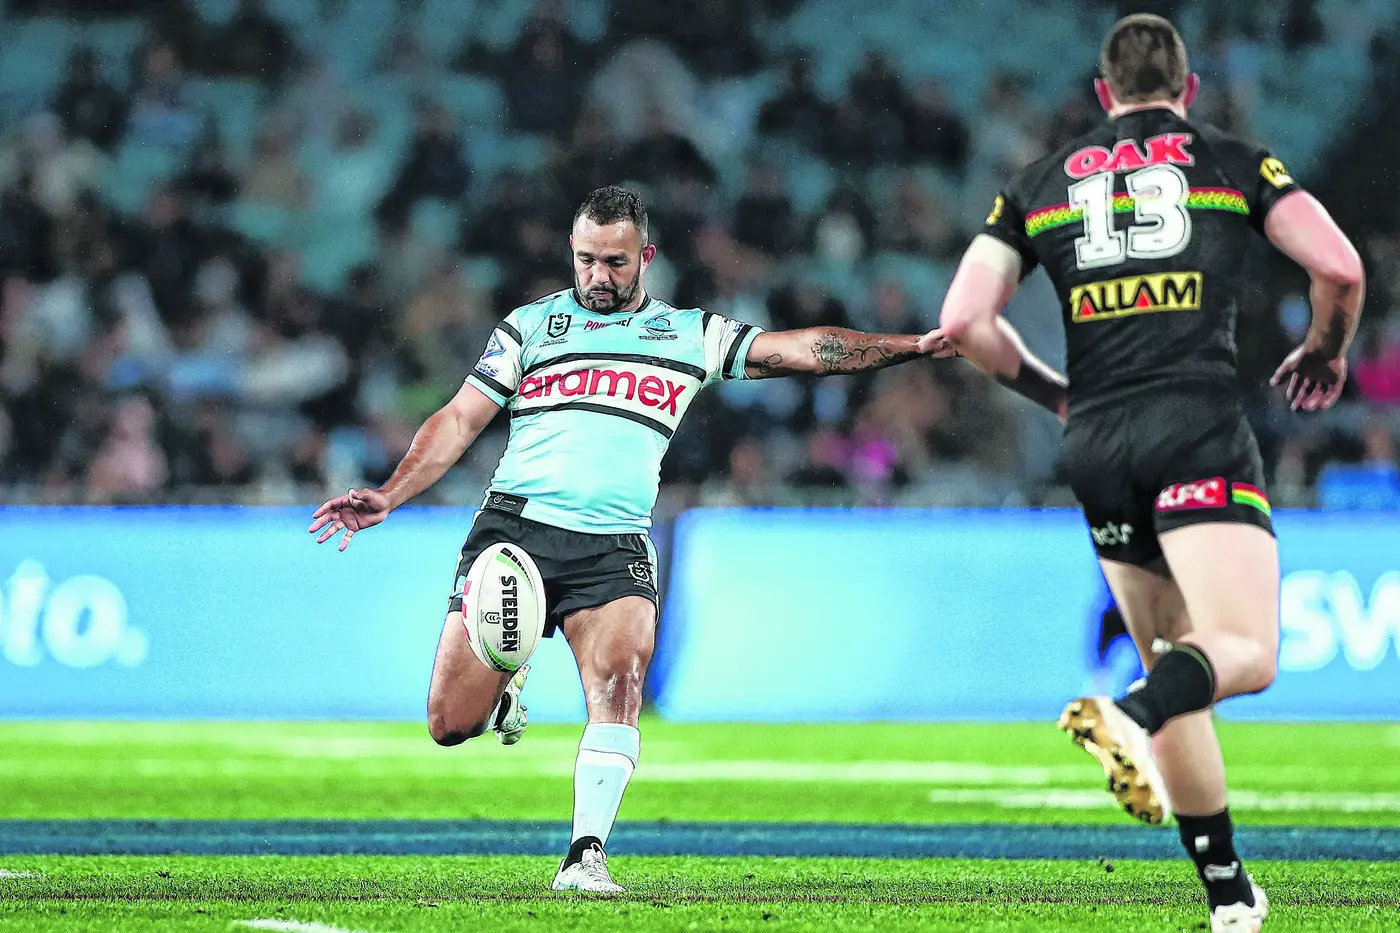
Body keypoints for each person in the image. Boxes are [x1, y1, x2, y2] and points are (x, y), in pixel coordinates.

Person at [308, 185, 963, 894]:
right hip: (516, 532)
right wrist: (392, 491)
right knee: (447, 724)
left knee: (621, 679)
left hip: (612, 543)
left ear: (645, 256)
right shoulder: (530, 326)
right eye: (586, 259)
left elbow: (803, 350)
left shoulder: (688, 334)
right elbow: (460, 419)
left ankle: (585, 853)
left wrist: (910, 346)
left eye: (616, 262)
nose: (598, 276)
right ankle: (505, 678)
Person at [924, 15, 1364, 933]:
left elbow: (963, 319)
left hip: (1100, 440)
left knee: (1180, 661)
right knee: (1246, 653)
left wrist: (1056, 397)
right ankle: (1125, 713)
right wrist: (1325, 348)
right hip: (1195, 425)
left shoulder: (1037, 185)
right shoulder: (1232, 159)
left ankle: (1229, 894)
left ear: (1101, 94)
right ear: (1188, 89)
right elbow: (1339, 266)